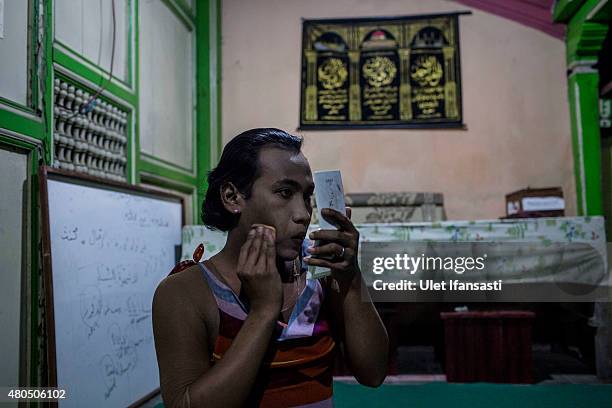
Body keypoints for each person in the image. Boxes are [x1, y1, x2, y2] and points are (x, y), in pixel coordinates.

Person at [152, 128, 388, 407]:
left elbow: (373, 374)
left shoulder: (321, 273)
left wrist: (351, 276)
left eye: (307, 197)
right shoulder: (186, 292)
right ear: (232, 197)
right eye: (285, 193)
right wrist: (263, 311)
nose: (302, 214)